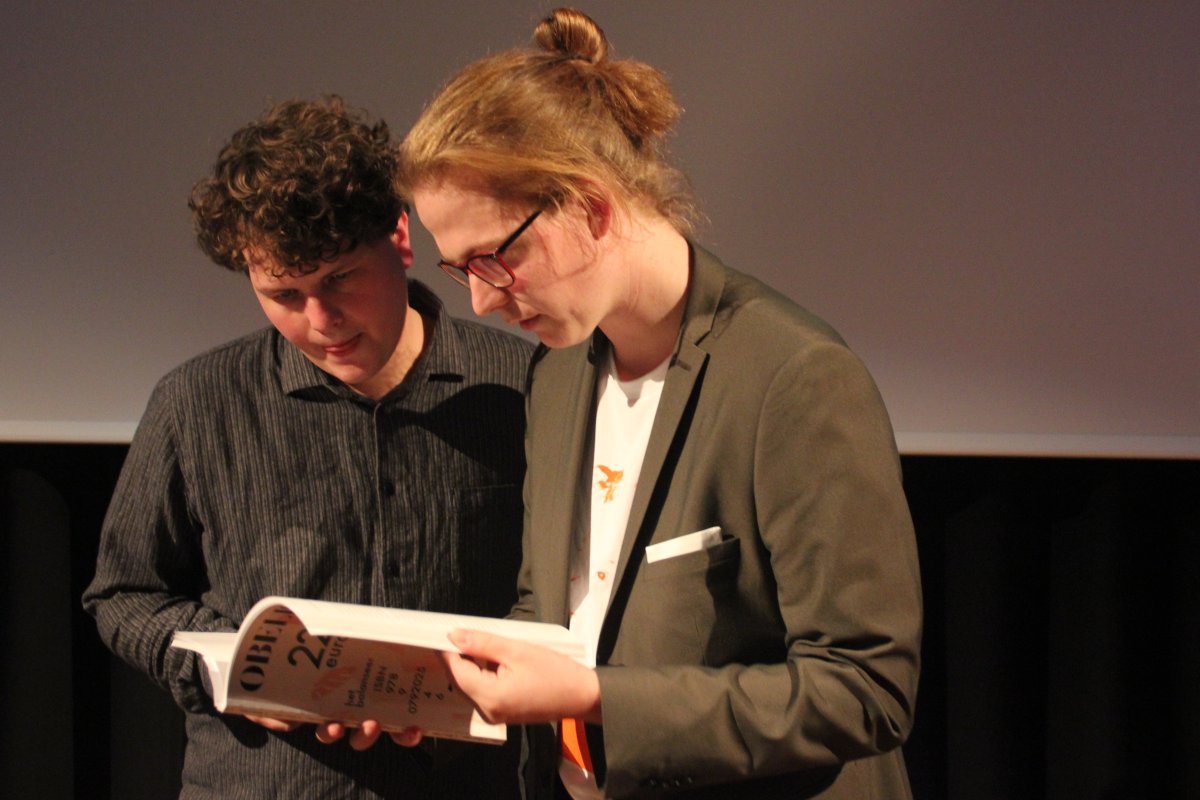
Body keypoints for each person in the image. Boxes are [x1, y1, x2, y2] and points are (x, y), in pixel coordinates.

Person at [387, 8, 923, 799]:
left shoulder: (793, 377)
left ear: (592, 209)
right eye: (458, 269)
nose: (481, 301)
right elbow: (556, 607)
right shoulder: (559, 374)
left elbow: (863, 691)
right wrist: (426, 694)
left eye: (494, 259)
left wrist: (598, 699)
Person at [82, 96, 534, 799]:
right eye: (284, 294)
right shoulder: (196, 402)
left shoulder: (525, 387)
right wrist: (230, 671)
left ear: (400, 236)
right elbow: (124, 594)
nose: (321, 320)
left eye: (339, 279)